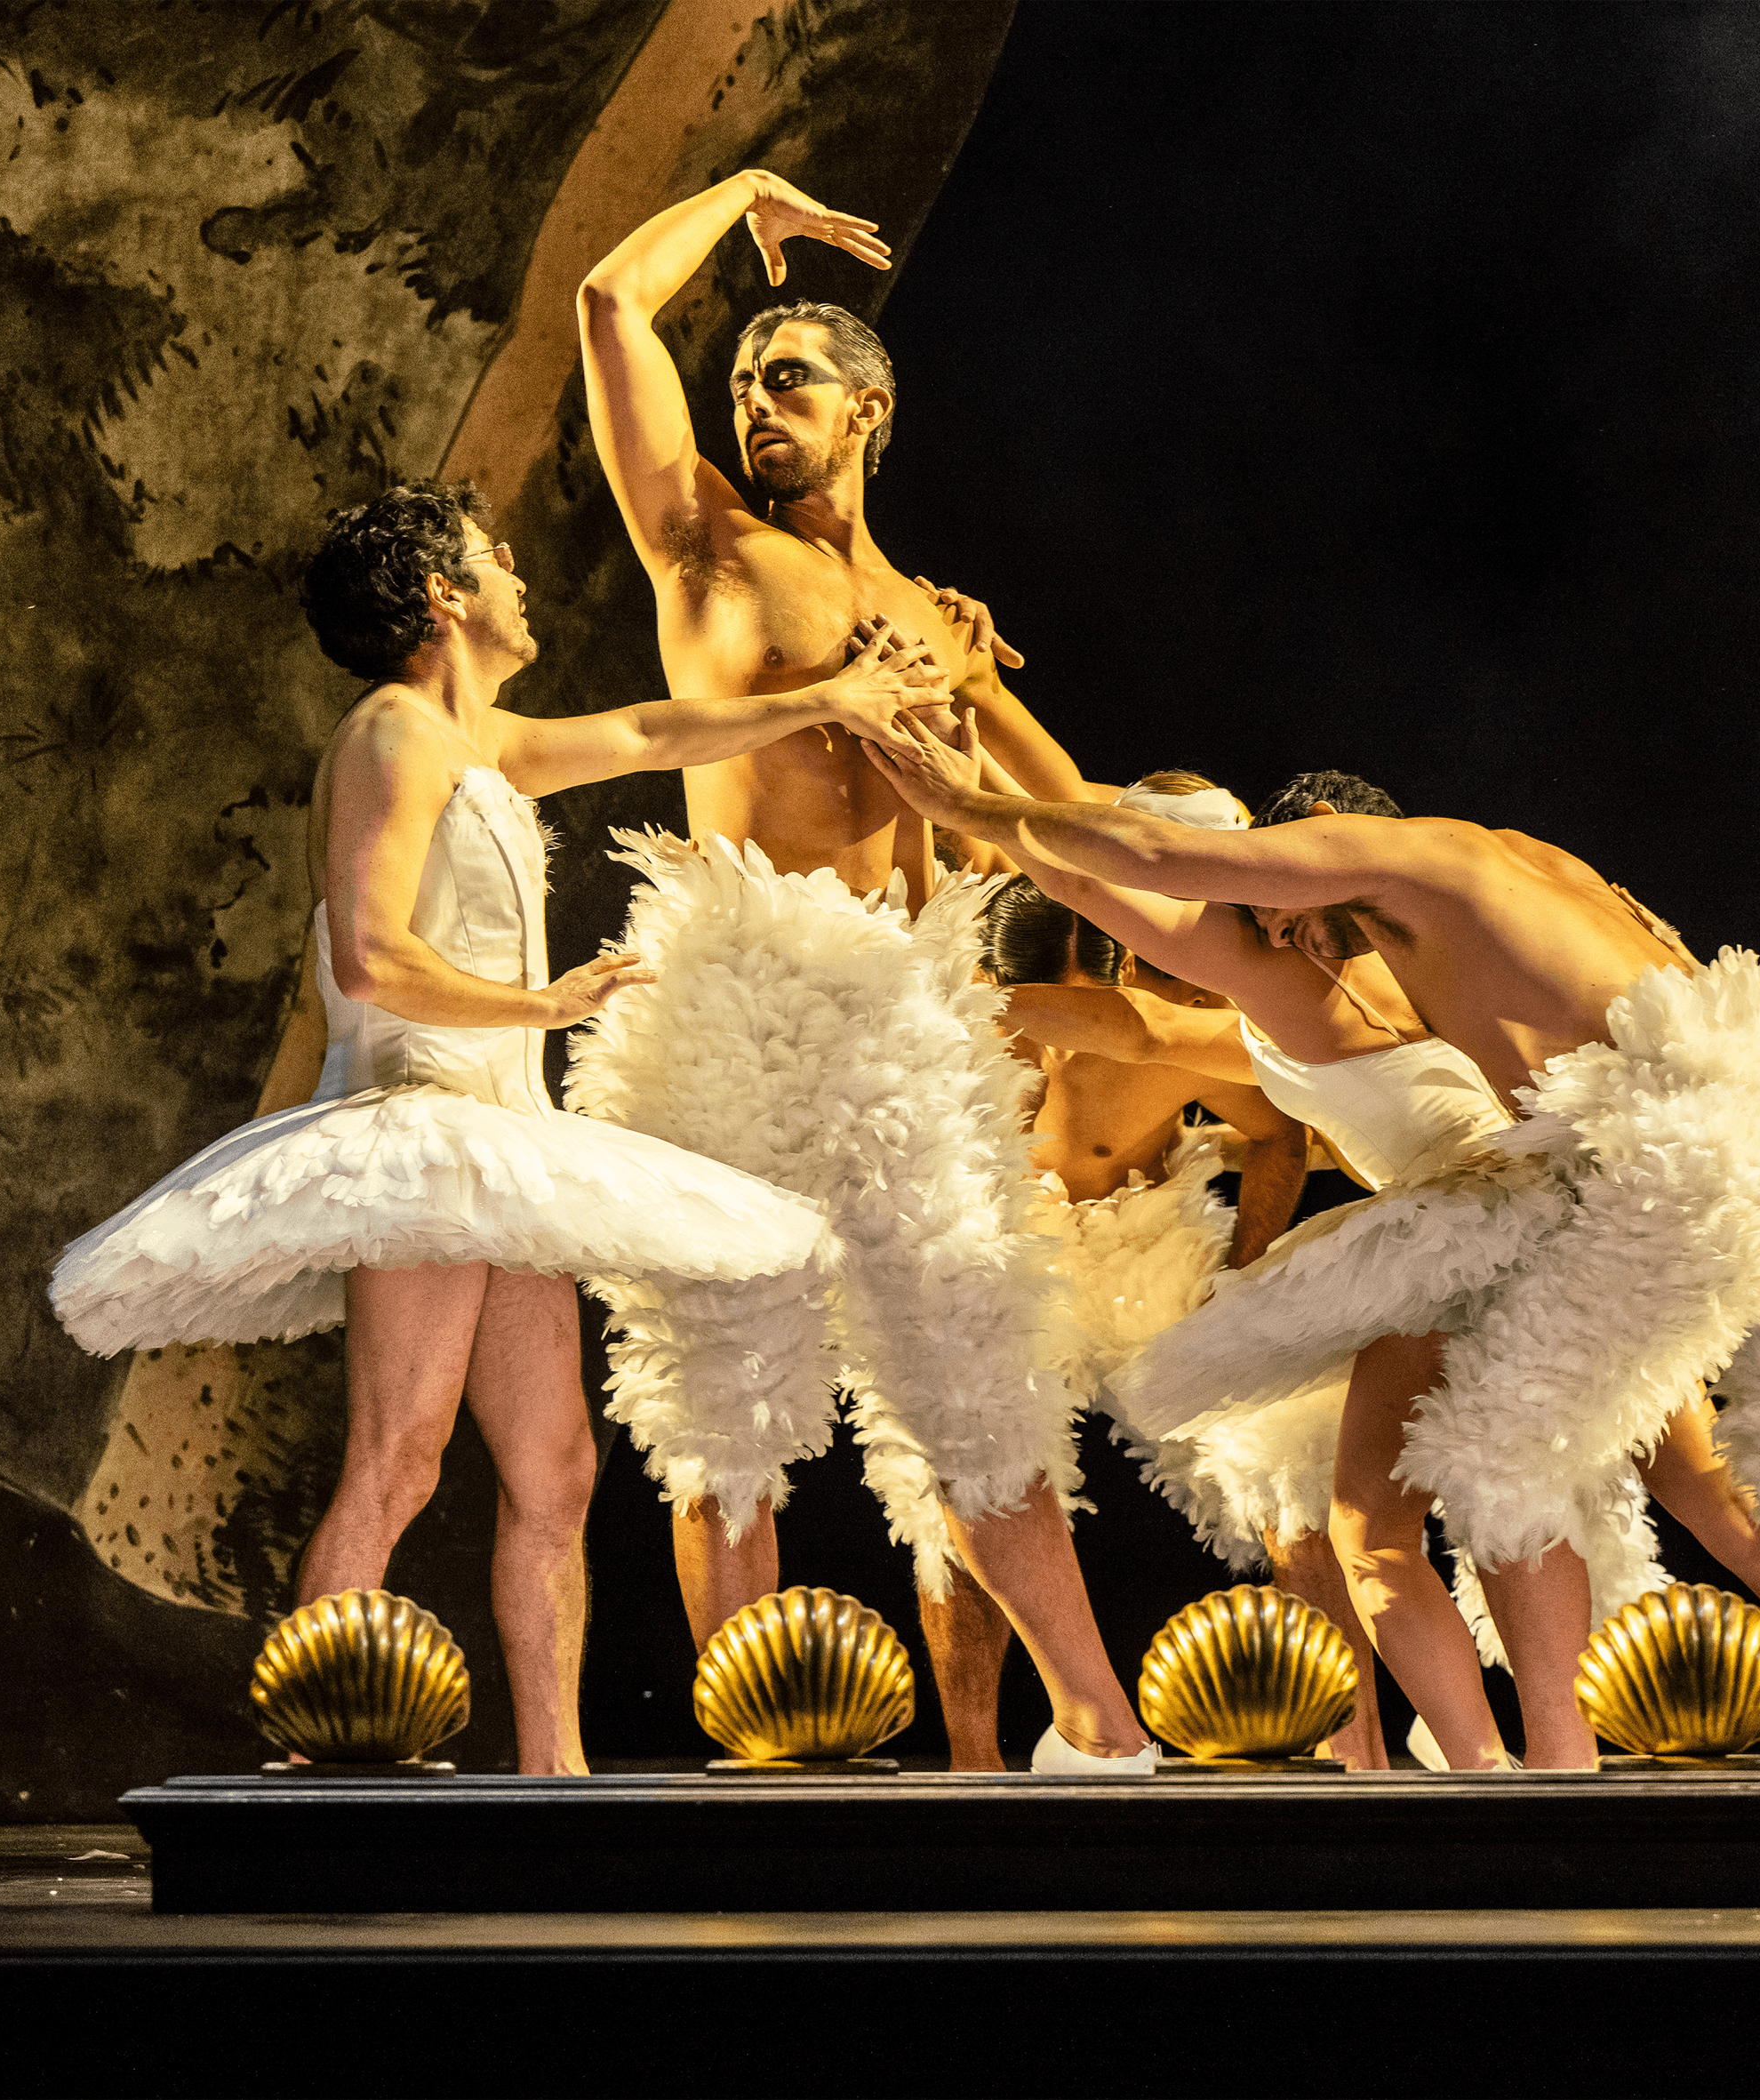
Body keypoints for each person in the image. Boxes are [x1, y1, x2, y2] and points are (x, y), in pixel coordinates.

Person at [863, 720, 1760, 1771]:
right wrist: (991, 756)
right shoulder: (1402, 937)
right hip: (1568, 1211)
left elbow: (1114, 875)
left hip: (1458, 1235)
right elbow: (1125, 914)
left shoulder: (1273, 969)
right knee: (1696, 1499)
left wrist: (964, 811)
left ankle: (1492, 1768)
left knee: (1379, 1528)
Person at [50, 481, 918, 1771]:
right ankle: (321, 1745)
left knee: (558, 1467)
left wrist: (823, 699)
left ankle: (554, 1769)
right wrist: (543, 999)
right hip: (418, 1132)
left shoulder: (481, 741)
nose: (517, 568)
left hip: (502, 1139)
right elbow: (373, 949)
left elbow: (643, 727)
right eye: (490, 557)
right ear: (444, 595)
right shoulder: (393, 736)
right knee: (398, 1458)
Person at [564, 170, 1153, 1772]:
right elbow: (609, 306)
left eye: (790, 378)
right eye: (745, 381)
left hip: (903, 1015)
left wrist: (1237, 911)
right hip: (743, 993)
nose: (756, 403)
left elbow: (1066, 824)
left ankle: (1098, 1731)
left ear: (869, 408)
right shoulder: (704, 545)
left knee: (975, 1378)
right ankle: (753, 1741)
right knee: (721, 1399)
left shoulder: (922, 615)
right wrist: (744, 191)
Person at [908, 864, 1313, 1768]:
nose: (1064, 1036)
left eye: (1079, 1008)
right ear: (992, 986)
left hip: (1145, 1234)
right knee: (959, 1472)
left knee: (1286, 1459)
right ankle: (975, 1761)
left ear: (1118, 974)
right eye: (1039, 1010)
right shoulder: (945, 1039)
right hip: (1011, 1246)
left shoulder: (1157, 1029)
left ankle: (1351, 1749)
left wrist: (1243, 1271)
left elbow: (1278, 1131)